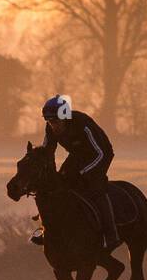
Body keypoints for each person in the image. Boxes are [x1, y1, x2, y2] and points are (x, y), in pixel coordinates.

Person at [40, 96, 118, 249]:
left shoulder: (83, 125)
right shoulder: (50, 128)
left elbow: (101, 153)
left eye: (56, 121)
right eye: (49, 122)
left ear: (65, 117)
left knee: (95, 188)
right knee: (58, 184)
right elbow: (47, 152)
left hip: (100, 155)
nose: (53, 126)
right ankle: (46, 228)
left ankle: (111, 234)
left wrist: (83, 172)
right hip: (77, 155)